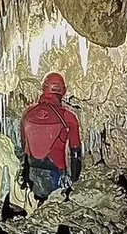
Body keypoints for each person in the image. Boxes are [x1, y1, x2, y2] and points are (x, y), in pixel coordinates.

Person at [18, 72, 82, 201]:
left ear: (44, 88)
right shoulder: (68, 117)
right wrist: (75, 181)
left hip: (32, 171)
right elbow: (76, 152)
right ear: (63, 91)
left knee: (37, 209)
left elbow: (24, 145)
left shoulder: (27, 113)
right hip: (55, 172)